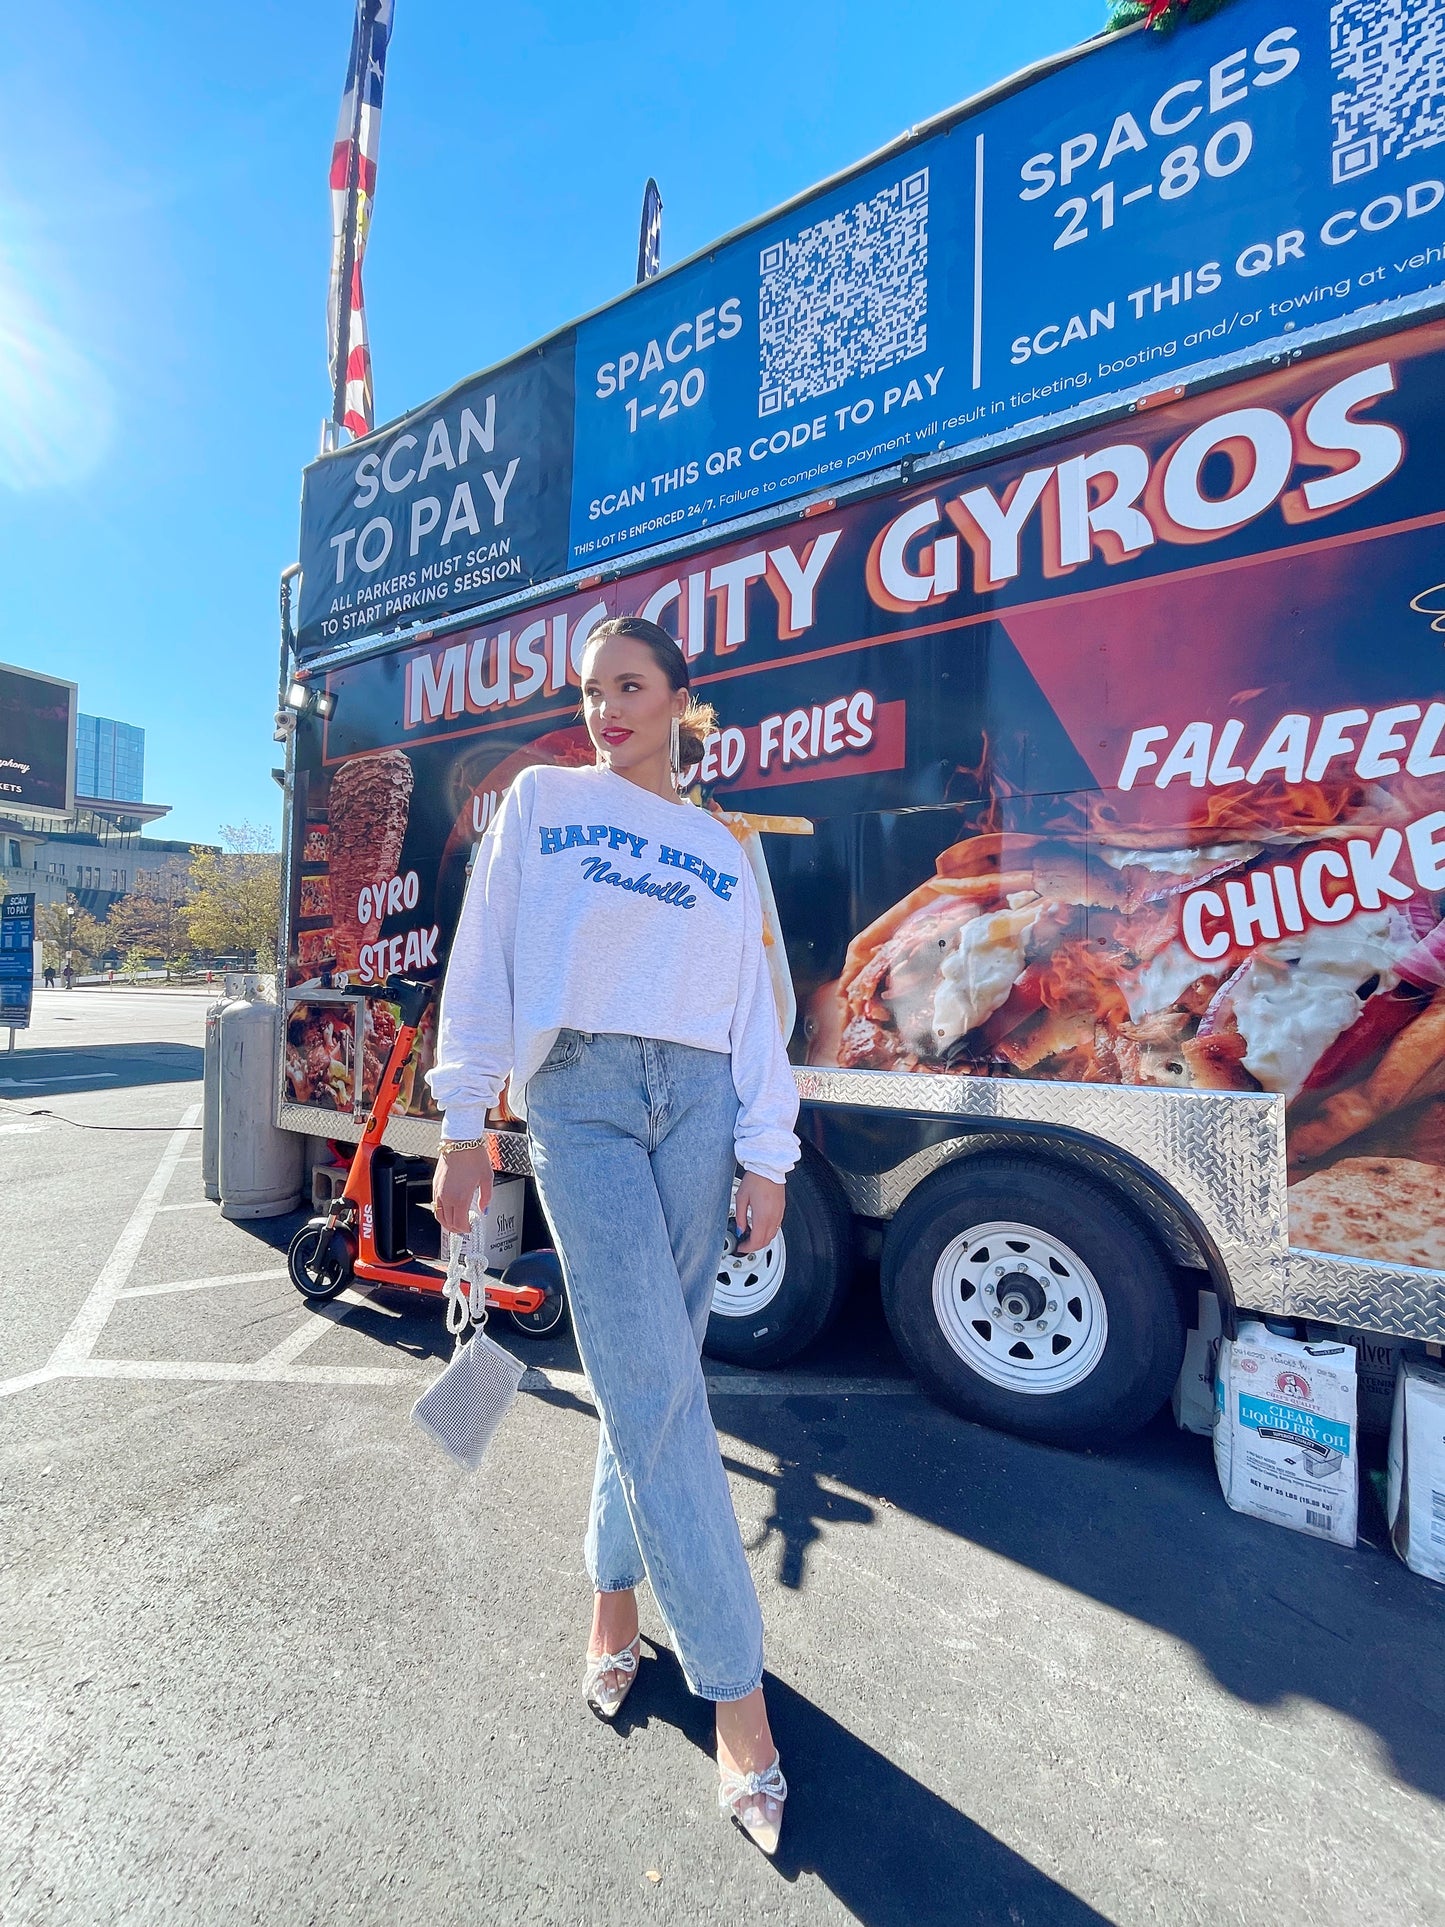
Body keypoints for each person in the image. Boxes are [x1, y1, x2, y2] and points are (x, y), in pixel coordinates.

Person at [429, 614, 799, 1854]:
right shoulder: (539, 801)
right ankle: (735, 1693)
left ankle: (609, 1596)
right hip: (578, 1095)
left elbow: (757, 1006)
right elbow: (481, 959)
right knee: (648, 1374)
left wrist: (767, 1150)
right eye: (590, 690)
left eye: (628, 686)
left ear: (680, 698)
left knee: (656, 1379)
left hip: (698, 1097)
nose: (603, 709)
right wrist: (466, 1120)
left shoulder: (717, 843)